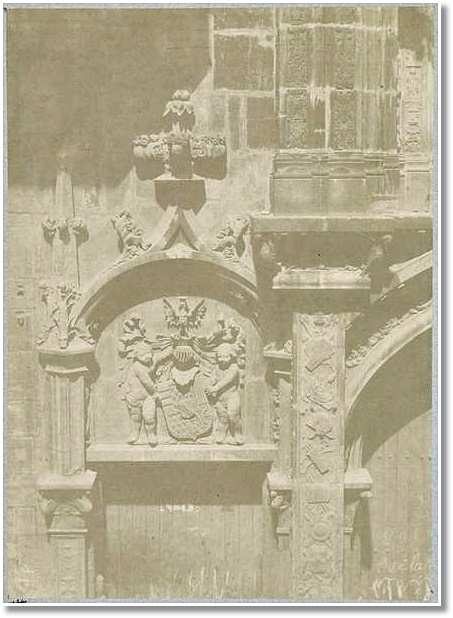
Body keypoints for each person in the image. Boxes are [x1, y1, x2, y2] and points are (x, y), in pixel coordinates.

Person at [205, 342, 244, 445]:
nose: (222, 359)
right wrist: (209, 384)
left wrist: (215, 388)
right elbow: (213, 378)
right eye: (220, 357)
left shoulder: (234, 368)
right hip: (220, 398)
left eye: (226, 357)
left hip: (232, 396)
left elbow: (227, 379)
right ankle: (221, 433)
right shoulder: (217, 368)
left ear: (231, 356)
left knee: (233, 415)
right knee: (223, 418)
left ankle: (238, 433)